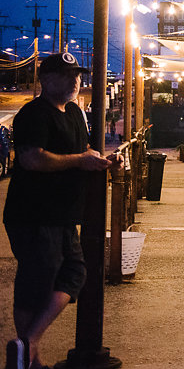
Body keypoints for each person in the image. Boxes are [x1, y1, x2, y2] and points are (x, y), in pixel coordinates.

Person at [4, 52, 123, 369]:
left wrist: (103, 160)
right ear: (45, 79)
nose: (75, 81)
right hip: (33, 214)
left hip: (64, 213)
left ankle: (27, 345)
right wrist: (80, 161)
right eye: (67, 75)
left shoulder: (73, 113)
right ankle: (30, 355)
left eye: (78, 75)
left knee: (75, 274)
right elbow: (32, 158)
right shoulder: (33, 114)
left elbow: (81, 152)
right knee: (37, 281)